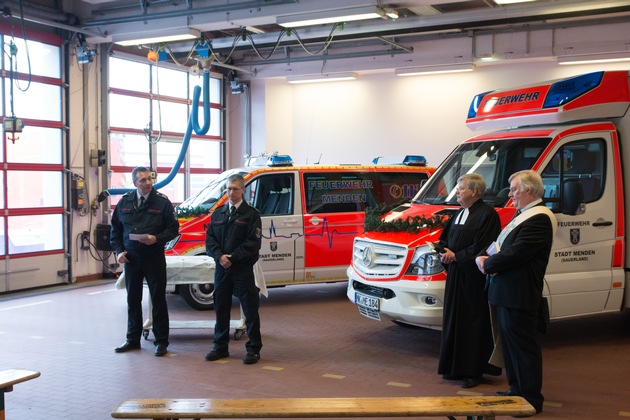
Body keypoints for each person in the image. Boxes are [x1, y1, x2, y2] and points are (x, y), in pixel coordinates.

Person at [475, 170, 557, 416]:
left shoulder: (539, 218)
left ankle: (531, 398)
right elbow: (503, 245)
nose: (510, 195)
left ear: (529, 190)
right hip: (507, 291)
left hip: (519, 293)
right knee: (510, 346)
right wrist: (484, 257)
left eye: (514, 190)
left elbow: (516, 253)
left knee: (522, 347)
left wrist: (487, 264)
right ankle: (517, 389)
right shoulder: (524, 215)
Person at [437, 173, 501, 389]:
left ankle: (473, 371)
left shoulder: (488, 215)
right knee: (454, 320)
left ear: (474, 191)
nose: (457, 192)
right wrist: (442, 251)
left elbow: (483, 246)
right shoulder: (460, 213)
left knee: (472, 322)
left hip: (473, 277)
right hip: (456, 276)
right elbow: (446, 239)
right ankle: (454, 367)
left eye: (461, 188)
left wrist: (457, 256)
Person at [110, 166, 179, 357]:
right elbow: (115, 230)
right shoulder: (125, 202)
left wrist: (156, 238)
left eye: (150, 179)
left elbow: (173, 229)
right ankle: (132, 339)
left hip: (153, 257)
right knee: (133, 299)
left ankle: (161, 341)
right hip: (131, 259)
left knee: (158, 299)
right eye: (143, 180)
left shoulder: (162, 202)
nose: (148, 183)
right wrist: (119, 252)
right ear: (134, 183)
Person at [205, 174, 263, 364]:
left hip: (242, 269)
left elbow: (252, 244)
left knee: (250, 309)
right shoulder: (218, 213)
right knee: (221, 309)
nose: (231, 193)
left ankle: (253, 349)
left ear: (243, 190)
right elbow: (210, 241)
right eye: (228, 189)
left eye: (235, 189)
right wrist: (219, 257)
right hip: (222, 269)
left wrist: (232, 258)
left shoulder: (251, 215)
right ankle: (220, 347)